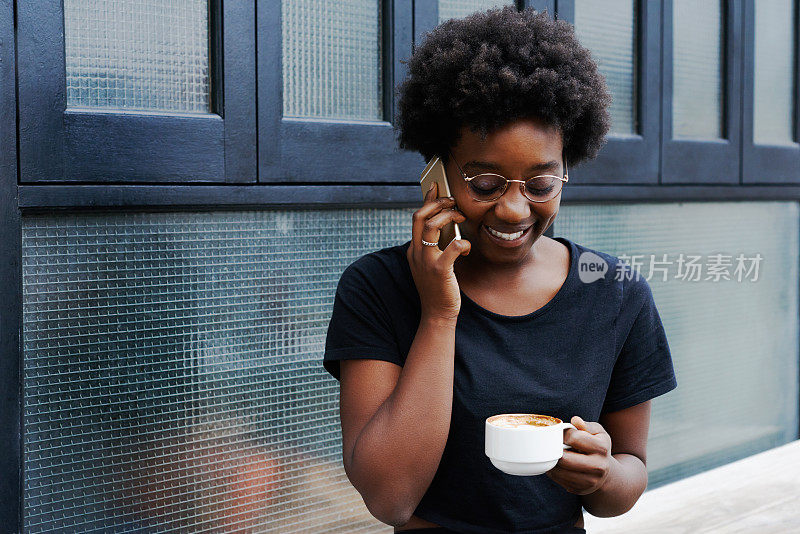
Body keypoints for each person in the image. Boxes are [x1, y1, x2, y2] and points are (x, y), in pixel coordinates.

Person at [323, 6, 677, 533]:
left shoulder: (614, 292)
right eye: (485, 184)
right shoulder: (378, 287)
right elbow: (390, 498)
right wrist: (440, 314)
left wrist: (601, 476)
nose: (515, 210)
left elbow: (627, 479)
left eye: (541, 185)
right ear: (437, 171)